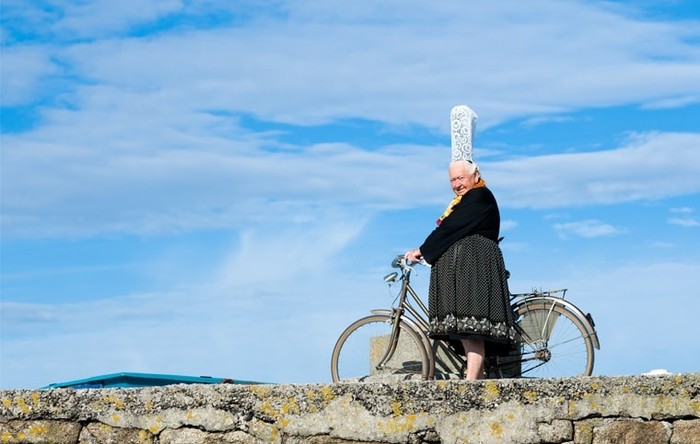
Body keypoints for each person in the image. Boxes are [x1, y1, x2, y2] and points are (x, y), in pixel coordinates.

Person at [404, 159, 516, 380]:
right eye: (452, 180)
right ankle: (478, 375)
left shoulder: (479, 196)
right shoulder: (466, 200)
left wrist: (422, 250)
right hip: (468, 268)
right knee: (465, 326)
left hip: (474, 268)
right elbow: (449, 229)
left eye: (460, 178)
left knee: (470, 325)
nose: (456, 184)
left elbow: (451, 228)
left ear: (475, 176)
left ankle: (471, 381)